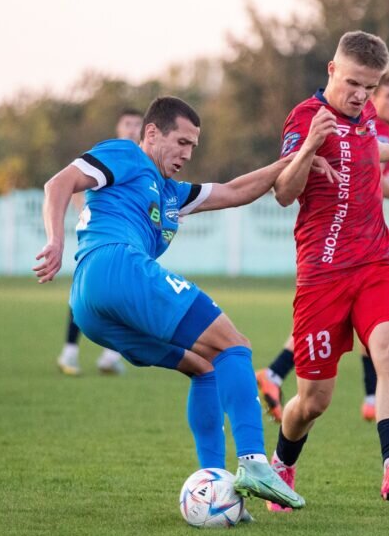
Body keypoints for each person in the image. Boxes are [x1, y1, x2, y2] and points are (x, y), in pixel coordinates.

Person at [34, 96, 336, 510]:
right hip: (117, 266)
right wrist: (55, 239)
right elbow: (58, 183)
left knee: (205, 366)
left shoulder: (172, 194)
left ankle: (214, 488)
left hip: (91, 306)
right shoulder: (126, 154)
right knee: (235, 345)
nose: (187, 154)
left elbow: (235, 190)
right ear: (152, 134)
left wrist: (297, 158)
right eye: (181, 142)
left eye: (193, 146)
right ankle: (255, 462)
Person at [266, 31, 389, 509]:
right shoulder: (305, 118)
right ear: (331, 70)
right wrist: (308, 149)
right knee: (313, 401)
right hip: (322, 275)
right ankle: (282, 463)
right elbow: (283, 192)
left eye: (371, 85)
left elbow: (361, 150)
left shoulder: (365, 118)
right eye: (355, 83)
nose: (363, 95)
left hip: (378, 261)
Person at [255, 68, 389, 423]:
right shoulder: (315, 118)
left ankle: (380, 414)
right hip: (327, 259)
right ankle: (279, 381)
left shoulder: (371, 125)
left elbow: (367, 158)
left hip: (372, 254)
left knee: (382, 335)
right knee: (315, 398)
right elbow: (285, 190)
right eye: (388, 95)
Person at [56, 109, 144, 376]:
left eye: (136, 125)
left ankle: (110, 355)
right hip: (98, 238)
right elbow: (73, 183)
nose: (131, 129)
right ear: (118, 127)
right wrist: (87, 211)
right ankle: (70, 352)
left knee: (125, 294)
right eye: (127, 123)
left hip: (128, 239)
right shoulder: (110, 153)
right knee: (87, 293)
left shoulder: (143, 160)